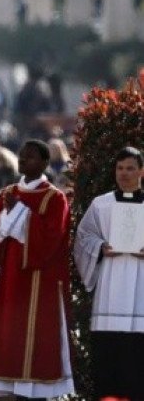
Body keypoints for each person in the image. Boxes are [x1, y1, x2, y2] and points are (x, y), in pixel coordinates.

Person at [0, 139, 74, 399]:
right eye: (22, 157)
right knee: (12, 338)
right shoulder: (8, 192)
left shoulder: (54, 197)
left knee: (38, 342)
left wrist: (20, 212)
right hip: (12, 278)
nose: (23, 161)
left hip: (40, 279)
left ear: (45, 163)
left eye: (31, 157)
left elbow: (51, 237)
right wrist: (9, 216)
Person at [74, 146, 144, 400]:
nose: (124, 174)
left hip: (140, 293)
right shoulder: (101, 205)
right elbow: (83, 238)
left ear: (141, 171)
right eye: (120, 168)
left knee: (137, 364)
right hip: (110, 291)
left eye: (130, 168)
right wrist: (100, 247)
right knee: (109, 362)